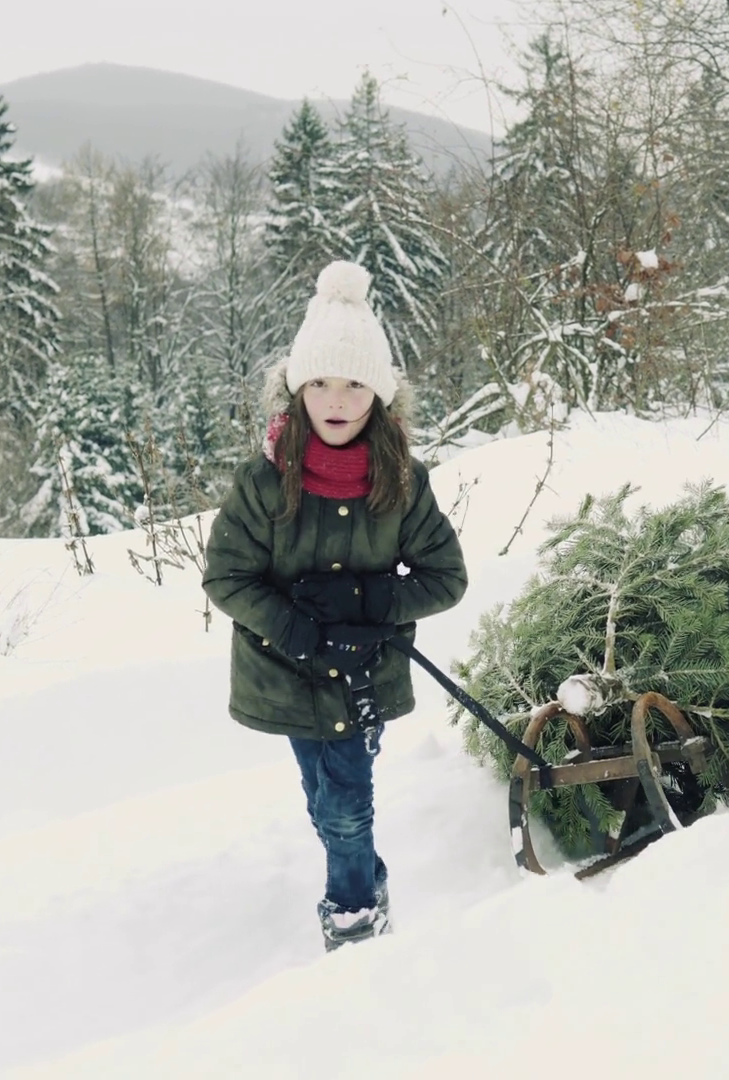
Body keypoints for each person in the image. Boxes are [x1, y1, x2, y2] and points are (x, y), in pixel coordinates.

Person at [202, 260, 467, 952]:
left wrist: (372, 598)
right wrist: (293, 625)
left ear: (379, 394)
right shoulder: (264, 482)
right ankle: (366, 877)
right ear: (296, 390)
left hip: (362, 674)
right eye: (320, 382)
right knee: (325, 799)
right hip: (285, 673)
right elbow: (225, 576)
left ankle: (354, 916)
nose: (337, 399)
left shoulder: (402, 481)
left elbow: (446, 577)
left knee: (346, 803)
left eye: (354, 383)